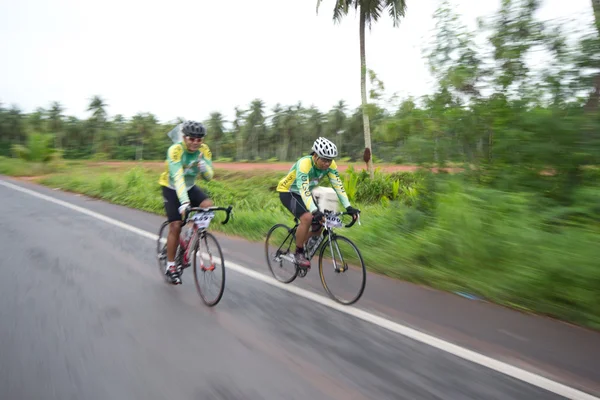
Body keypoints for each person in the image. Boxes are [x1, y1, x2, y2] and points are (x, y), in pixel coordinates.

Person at [276, 137, 359, 268]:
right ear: (315, 156)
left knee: (320, 223)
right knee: (308, 217)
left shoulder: (331, 165)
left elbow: (338, 185)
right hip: (289, 191)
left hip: (305, 193)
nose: (327, 163)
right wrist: (314, 211)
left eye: (330, 160)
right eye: (324, 159)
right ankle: (299, 252)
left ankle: (303, 242)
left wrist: (349, 207)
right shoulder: (304, 164)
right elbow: (303, 190)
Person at [158, 120, 214, 284]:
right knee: (175, 225)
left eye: (199, 139)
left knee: (207, 205)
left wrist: (203, 167)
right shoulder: (175, 150)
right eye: (191, 139)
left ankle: (188, 236)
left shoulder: (204, 150)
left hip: (190, 186)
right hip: (171, 187)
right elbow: (178, 178)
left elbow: (209, 177)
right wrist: (184, 203)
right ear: (184, 137)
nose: (196, 143)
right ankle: (170, 266)